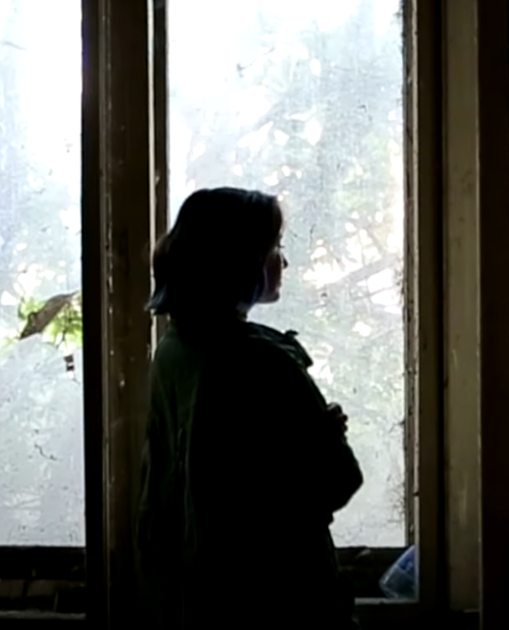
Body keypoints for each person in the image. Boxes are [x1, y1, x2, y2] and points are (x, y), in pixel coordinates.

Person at [135, 187, 364, 629]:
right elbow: (337, 479)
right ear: (240, 259)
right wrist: (324, 435)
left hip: (192, 604)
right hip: (275, 609)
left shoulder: (172, 352)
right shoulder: (263, 361)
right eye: (274, 247)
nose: (283, 262)